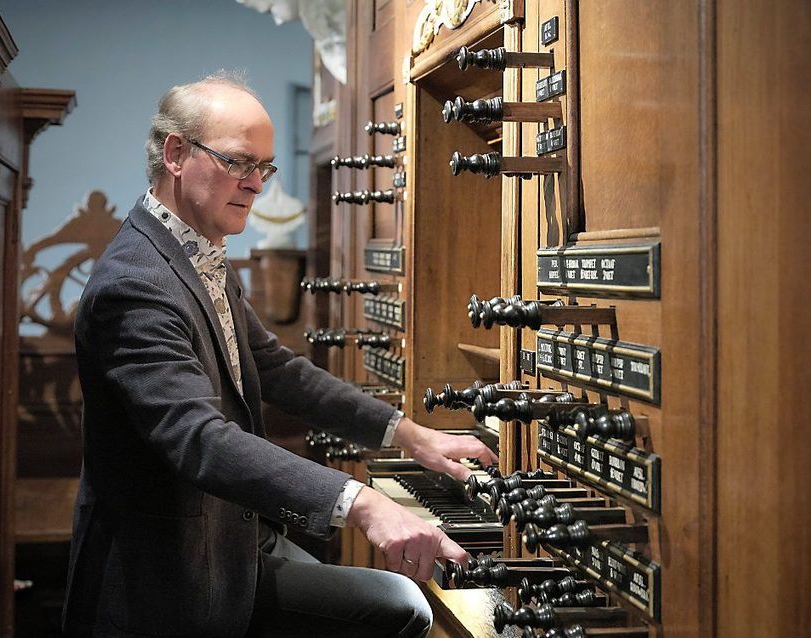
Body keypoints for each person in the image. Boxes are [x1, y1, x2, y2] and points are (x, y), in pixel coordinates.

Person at [62, 72, 497, 638]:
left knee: (393, 605)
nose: (256, 184)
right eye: (240, 163)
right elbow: (200, 439)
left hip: (231, 537)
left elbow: (273, 367)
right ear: (175, 153)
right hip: (167, 576)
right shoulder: (135, 284)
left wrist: (410, 434)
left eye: (264, 168)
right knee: (400, 607)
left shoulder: (195, 249)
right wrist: (361, 503)